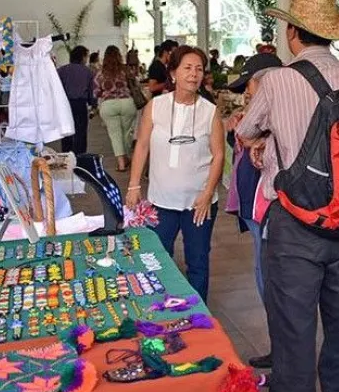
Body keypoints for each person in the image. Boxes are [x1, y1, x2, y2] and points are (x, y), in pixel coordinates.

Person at [235, 0, 339, 392]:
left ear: (293, 32)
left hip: (293, 219)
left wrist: (264, 143)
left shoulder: (278, 79)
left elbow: (247, 127)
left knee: (292, 327)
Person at [126, 46, 224, 302]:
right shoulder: (155, 106)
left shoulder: (209, 111)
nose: (194, 74)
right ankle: (160, 307)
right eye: (187, 68)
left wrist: (207, 194)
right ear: (173, 73)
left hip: (198, 204)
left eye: (199, 69)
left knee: (198, 262)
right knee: (157, 258)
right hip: (161, 200)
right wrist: (134, 186)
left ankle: (198, 315)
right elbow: (143, 145)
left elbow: (219, 156)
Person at [224, 52, 283, 370]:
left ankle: (283, 347)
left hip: (268, 206)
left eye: (249, 85)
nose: (246, 92)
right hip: (253, 204)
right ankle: (280, 344)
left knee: (271, 277)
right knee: (264, 274)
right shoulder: (255, 112)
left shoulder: (279, 113)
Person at [93, 46, 137, 172]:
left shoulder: (100, 73)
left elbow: (96, 92)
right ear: (119, 56)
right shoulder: (126, 70)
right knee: (127, 133)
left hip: (108, 105)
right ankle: (126, 157)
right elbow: (135, 85)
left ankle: (121, 163)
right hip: (126, 103)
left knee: (115, 135)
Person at [56, 45, 94, 155]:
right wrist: (93, 104)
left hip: (65, 104)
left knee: (66, 131)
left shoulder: (61, 70)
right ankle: (79, 157)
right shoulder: (88, 72)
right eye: (86, 56)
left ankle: (67, 155)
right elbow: (91, 91)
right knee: (80, 133)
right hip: (80, 104)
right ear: (82, 57)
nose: (87, 59)